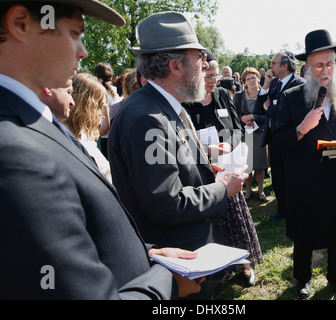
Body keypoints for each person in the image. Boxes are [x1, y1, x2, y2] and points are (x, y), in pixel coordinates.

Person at [0, 0, 204, 299]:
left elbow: (85, 233)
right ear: (20, 23)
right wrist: (167, 282)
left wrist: (148, 255)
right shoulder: (16, 150)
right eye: (74, 33)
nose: (82, 51)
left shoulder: (31, 124)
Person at [108, 12, 247, 299]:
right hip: (178, 267)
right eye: (199, 58)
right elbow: (167, 203)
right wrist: (221, 189)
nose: (205, 65)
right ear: (175, 66)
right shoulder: (148, 117)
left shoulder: (164, 106)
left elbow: (174, 165)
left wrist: (206, 169)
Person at [273, 29, 336, 299]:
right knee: (304, 232)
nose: (325, 70)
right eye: (318, 65)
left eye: (330, 64)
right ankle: (303, 278)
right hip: (304, 179)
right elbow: (278, 142)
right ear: (307, 67)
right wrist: (300, 129)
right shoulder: (292, 97)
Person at [183, 55, 263, 287]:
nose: (212, 80)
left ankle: (243, 267)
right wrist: (207, 151)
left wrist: (230, 143)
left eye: (215, 76)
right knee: (211, 226)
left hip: (228, 169)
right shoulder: (186, 101)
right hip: (203, 176)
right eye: (208, 76)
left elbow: (237, 127)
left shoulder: (221, 95)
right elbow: (182, 142)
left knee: (235, 222)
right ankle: (213, 272)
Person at [259, 51, 305, 220]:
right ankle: (282, 209)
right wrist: (265, 84)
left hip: (290, 138)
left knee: (291, 176)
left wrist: (269, 108)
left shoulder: (299, 83)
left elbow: (290, 110)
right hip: (274, 137)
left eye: (273, 63)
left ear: (284, 65)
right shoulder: (274, 83)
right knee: (277, 176)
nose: (271, 66)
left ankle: (294, 209)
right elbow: (259, 105)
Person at [66, 73, 113, 182]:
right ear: (87, 106)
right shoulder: (66, 135)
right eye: (98, 107)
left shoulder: (84, 135)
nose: (100, 115)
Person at [234, 67, 268, 202]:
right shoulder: (238, 96)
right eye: (248, 78)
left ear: (258, 78)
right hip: (245, 134)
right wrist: (244, 120)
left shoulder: (264, 95)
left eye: (254, 77)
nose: (251, 80)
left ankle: (261, 190)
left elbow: (267, 116)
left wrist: (253, 117)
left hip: (260, 134)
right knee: (246, 164)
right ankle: (248, 191)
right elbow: (235, 114)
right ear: (244, 82)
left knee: (260, 164)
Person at [93, 62, 123, 159]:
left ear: (96, 75)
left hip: (105, 137)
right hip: (118, 135)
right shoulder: (117, 91)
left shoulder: (99, 91)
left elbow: (105, 123)